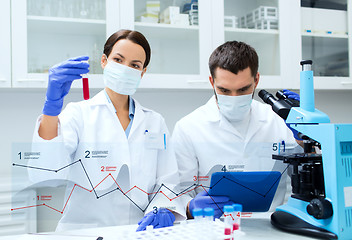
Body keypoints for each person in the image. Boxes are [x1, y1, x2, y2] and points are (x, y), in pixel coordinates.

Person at [31, 29, 185, 231]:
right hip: (84, 233)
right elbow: (45, 172)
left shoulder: (155, 122)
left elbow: (167, 181)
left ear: (143, 72)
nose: (125, 68)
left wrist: (163, 207)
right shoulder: (79, 114)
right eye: (118, 60)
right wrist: (51, 109)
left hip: (138, 231)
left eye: (135, 65)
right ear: (104, 61)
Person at [172, 41, 302, 219]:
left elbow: (310, 177)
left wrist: (305, 136)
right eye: (224, 90)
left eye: (243, 90)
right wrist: (189, 206)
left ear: (256, 80)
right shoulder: (188, 128)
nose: (234, 98)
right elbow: (177, 193)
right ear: (212, 82)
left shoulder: (279, 120)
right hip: (214, 229)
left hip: (272, 228)